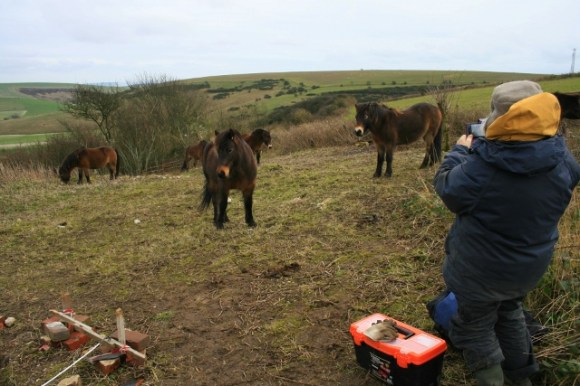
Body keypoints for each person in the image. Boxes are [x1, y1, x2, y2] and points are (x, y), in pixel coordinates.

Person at [433, 80, 580, 386]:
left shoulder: (484, 167)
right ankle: (523, 379)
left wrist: (461, 151)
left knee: (475, 327)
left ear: (501, 119)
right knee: (510, 313)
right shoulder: (564, 160)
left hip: (479, 272)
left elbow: (448, 188)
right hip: (528, 268)